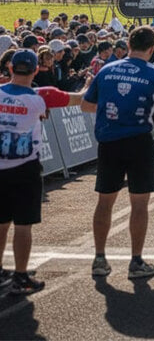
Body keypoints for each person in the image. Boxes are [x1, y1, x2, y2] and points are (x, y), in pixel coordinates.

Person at [81, 26, 154, 280]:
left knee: (105, 201)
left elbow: (86, 104)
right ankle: (135, 261)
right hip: (139, 142)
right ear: (152, 48)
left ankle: (100, 258)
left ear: (128, 43)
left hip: (109, 141)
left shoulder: (107, 70)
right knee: (139, 204)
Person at [0, 49, 88, 295]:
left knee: (1, 222)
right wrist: (90, 83)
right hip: (24, 168)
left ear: (10, 68)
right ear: (36, 70)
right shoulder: (41, 96)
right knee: (23, 225)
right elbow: (79, 99)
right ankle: (20, 275)